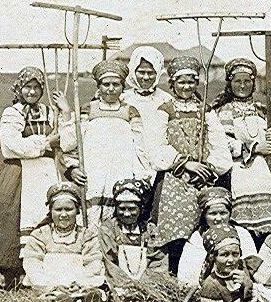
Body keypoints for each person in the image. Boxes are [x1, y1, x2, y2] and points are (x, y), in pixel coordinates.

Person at [0, 67, 81, 286]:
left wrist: (65, 113)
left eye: (37, 88)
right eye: (28, 87)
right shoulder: (13, 112)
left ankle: (46, 269)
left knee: (51, 214)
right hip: (20, 171)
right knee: (10, 213)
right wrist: (46, 142)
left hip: (48, 171)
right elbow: (11, 146)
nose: (32, 92)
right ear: (20, 88)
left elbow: (68, 143)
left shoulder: (50, 112)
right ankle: (12, 272)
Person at [148, 56, 232, 271]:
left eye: (191, 82)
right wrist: (185, 163)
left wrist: (209, 167)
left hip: (203, 179)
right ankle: (176, 278)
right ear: (173, 83)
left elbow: (219, 143)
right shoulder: (164, 110)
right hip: (174, 180)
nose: (187, 87)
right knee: (176, 236)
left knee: (205, 232)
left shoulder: (206, 110)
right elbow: (156, 146)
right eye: (182, 82)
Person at [211, 58, 271, 241]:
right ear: (230, 83)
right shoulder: (224, 110)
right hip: (238, 171)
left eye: (247, 81)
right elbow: (223, 143)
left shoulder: (263, 109)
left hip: (264, 171)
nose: (243, 85)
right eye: (237, 81)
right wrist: (255, 147)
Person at [21, 182, 107, 302]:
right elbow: (33, 264)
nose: (63, 214)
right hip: (50, 284)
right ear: (50, 211)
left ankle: (87, 301)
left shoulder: (86, 235)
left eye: (68, 209)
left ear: (77, 211)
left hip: (79, 284)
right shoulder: (40, 235)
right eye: (58, 210)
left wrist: (80, 283)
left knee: (92, 290)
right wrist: (53, 285)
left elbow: (93, 263)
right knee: (50, 296)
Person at [82, 60, 148, 226]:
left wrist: (141, 174)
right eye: (106, 84)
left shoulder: (130, 111)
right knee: (91, 219)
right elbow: (76, 143)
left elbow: (139, 145)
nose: (110, 89)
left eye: (116, 84)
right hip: (93, 172)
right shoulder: (88, 109)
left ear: (122, 87)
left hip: (121, 171)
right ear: (99, 86)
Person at [177, 186, 260, 286]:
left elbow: (254, 267)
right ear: (204, 215)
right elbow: (187, 275)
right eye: (213, 214)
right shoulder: (197, 238)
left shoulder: (241, 234)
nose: (218, 218)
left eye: (223, 213)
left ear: (230, 213)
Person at [98, 178, 167, 293]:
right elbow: (109, 262)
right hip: (118, 286)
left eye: (132, 209)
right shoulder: (108, 229)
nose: (126, 213)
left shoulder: (150, 231)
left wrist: (145, 286)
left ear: (141, 208)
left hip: (147, 288)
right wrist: (126, 285)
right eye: (122, 209)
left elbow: (158, 261)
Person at [198, 226, 257, 302]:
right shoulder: (211, 285)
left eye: (235, 254)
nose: (231, 260)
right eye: (224, 255)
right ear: (213, 257)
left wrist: (248, 284)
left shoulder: (245, 266)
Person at [123, 46, 172, 157]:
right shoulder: (124, 98)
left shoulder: (166, 99)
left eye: (151, 73)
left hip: (158, 155)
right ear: (133, 72)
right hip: (129, 155)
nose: (146, 77)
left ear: (158, 73)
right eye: (141, 72)